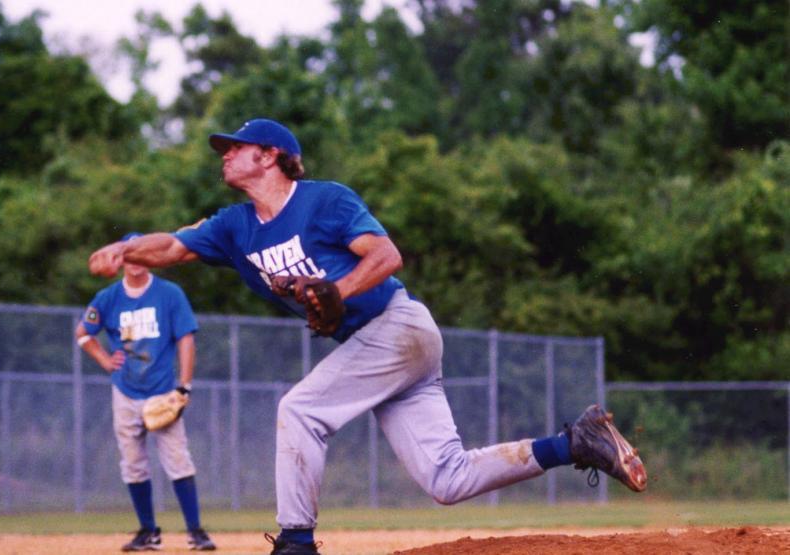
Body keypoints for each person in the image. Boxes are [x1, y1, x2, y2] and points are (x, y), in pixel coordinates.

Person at [88, 119, 647, 555]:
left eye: (235, 146)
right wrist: (125, 249)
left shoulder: (323, 200)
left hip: (399, 327)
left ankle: (297, 541)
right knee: (446, 479)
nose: (225, 154)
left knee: (301, 409)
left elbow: (386, 255)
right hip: (383, 351)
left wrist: (340, 290)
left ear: (271, 156)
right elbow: (175, 246)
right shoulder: (235, 226)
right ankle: (577, 442)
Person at [76, 232, 217, 552]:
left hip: (162, 390)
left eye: (142, 254)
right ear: (123, 258)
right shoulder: (109, 298)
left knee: (178, 460)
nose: (136, 260)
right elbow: (83, 332)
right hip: (125, 391)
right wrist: (103, 359)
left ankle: (195, 531)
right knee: (133, 463)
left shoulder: (169, 294)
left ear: (149, 257)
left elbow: (186, 340)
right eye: (131, 254)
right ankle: (148, 532)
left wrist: (185, 385)